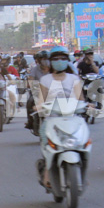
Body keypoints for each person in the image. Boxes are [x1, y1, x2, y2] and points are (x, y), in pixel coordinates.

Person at [37, 46, 84, 187]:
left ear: (67, 61)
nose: (59, 61)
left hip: (73, 118)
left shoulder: (74, 78)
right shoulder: (45, 80)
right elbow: (41, 101)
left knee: (83, 142)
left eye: (63, 59)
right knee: (47, 145)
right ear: (51, 62)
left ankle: (80, 172)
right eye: (56, 59)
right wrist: (39, 106)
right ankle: (47, 171)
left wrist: (88, 105)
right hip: (52, 119)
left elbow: (81, 99)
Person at [25, 51, 50, 129]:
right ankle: (30, 121)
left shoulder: (53, 69)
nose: (45, 61)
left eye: (47, 59)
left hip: (51, 92)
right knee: (30, 102)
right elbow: (31, 79)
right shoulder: (35, 69)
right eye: (43, 59)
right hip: (38, 92)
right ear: (39, 60)